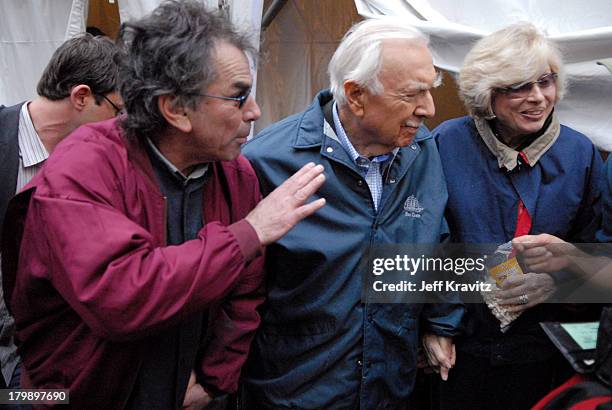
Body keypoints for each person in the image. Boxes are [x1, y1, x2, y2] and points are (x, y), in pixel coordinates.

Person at [1, 1, 325, 409]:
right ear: (174, 108)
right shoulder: (86, 163)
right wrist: (249, 232)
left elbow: (246, 292)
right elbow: (122, 295)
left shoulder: (236, 174)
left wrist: (212, 378)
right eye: (238, 98)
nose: (254, 113)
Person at [241, 18, 463, 409]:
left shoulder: (421, 150)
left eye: (431, 90)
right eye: (413, 93)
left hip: (389, 391)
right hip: (295, 395)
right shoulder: (267, 163)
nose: (428, 109)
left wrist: (438, 324)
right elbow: (233, 293)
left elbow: (435, 242)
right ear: (356, 95)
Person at [432, 22, 603, 409]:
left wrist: (558, 283)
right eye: (519, 87)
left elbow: (600, 259)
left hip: (545, 353)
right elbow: (423, 242)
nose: (539, 98)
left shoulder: (580, 154)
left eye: (545, 81)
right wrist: (435, 325)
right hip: (462, 351)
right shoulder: (445, 143)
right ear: (486, 94)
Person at [0, 33, 123, 394]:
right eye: (119, 111)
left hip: (42, 368)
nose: (124, 126)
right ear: (82, 96)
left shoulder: (103, 168)